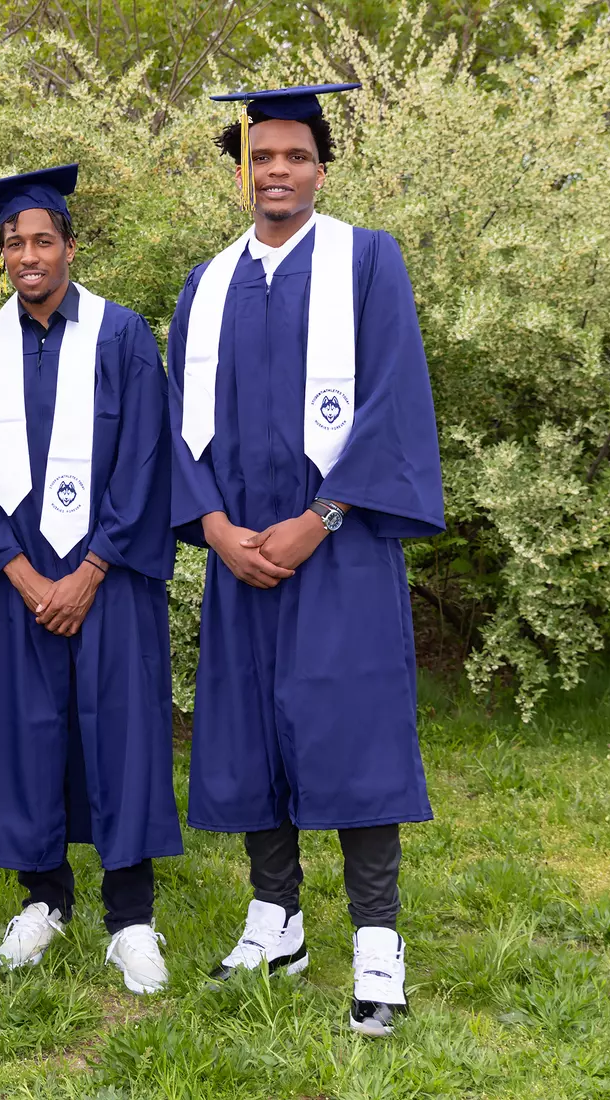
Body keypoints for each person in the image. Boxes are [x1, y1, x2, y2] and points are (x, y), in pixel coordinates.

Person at [166, 83, 445, 1036]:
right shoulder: (204, 287)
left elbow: (394, 401)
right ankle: (275, 919)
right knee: (248, 732)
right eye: (261, 158)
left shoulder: (367, 261)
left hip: (342, 548)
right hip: (240, 555)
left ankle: (377, 940)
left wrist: (317, 517)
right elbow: (176, 431)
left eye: (294, 156)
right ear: (241, 172)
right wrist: (211, 526)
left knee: (355, 733)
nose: (276, 171)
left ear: (321, 168)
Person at [0, 166, 181, 995]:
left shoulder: (120, 337)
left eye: (43, 239)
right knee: (25, 736)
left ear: (71, 248)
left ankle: (131, 918)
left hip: (109, 579)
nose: (27, 254)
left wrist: (89, 569)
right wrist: (18, 573)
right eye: (13, 242)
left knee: (121, 735)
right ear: (1, 254)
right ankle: (43, 902)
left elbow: (147, 457)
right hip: (20, 588)